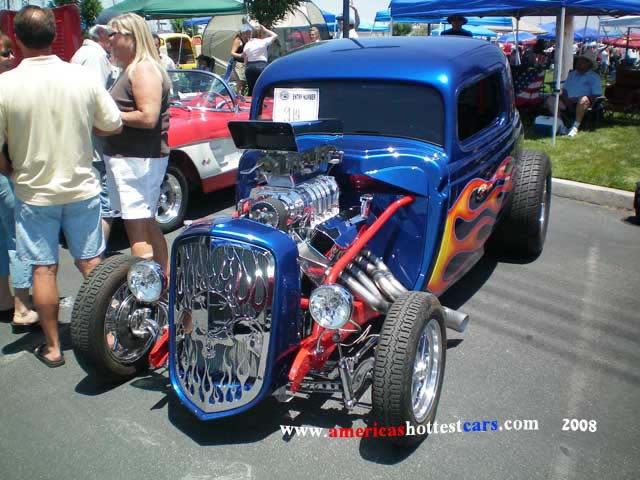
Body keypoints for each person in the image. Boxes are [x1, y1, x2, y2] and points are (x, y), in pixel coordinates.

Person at [0, 6, 122, 367]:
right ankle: (108, 333)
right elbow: (113, 123)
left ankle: (53, 347)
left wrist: (11, 171)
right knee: (93, 264)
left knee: (43, 269)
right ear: (53, 36)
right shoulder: (80, 77)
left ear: (17, 39)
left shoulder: (5, 85)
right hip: (81, 186)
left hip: (34, 191)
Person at [105, 13, 170, 274]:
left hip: (137, 160)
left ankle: (145, 291)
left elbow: (148, 116)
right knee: (147, 225)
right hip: (133, 159)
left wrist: (107, 116)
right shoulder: (135, 68)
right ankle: (162, 286)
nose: (109, 40)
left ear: (131, 38)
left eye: (114, 34)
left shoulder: (143, 69)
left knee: (138, 234)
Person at [0, 33, 40, 330]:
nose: (11, 57)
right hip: (7, 174)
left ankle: (4, 298)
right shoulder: (7, 89)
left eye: (11, 51)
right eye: (4, 53)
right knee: (19, 235)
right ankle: (22, 306)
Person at [71, 13, 121, 246]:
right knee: (104, 202)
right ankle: (98, 256)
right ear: (101, 33)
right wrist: (110, 128)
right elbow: (96, 102)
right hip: (96, 145)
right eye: (113, 34)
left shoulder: (82, 54)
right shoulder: (95, 57)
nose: (115, 40)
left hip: (85, 142)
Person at [545, 50, 601, 138]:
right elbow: (565, 89)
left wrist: (576, 99)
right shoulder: (572, 74)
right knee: (550, 99)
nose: (578, 63)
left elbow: (596, 95)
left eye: (581, 62)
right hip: (566, 101)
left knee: (583, 99)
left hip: (582, 103)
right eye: (578, 61)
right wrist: (566, 99)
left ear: (588, 64)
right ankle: (560, 125)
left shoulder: (594, 77)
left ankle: (575, 127)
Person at [243, 24, 278, 96]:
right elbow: (275, 35)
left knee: (251, 90)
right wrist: (265, 29)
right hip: (261, 66)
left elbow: (245, 59)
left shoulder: (247, 44)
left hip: (250, 67)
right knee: (264, 88)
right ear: (261, 34)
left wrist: (246, 68)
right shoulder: (263, 42)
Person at [230, 23, 252, 94]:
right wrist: (241, 55)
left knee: (244, 83)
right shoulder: (238, 40)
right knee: (240, 83)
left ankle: (241, 96)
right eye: (249, 32)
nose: (250, 34)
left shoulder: (248, 40)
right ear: (244, 32)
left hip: (245, 64)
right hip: (238, 64)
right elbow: (232, 53)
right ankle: (238, 97)